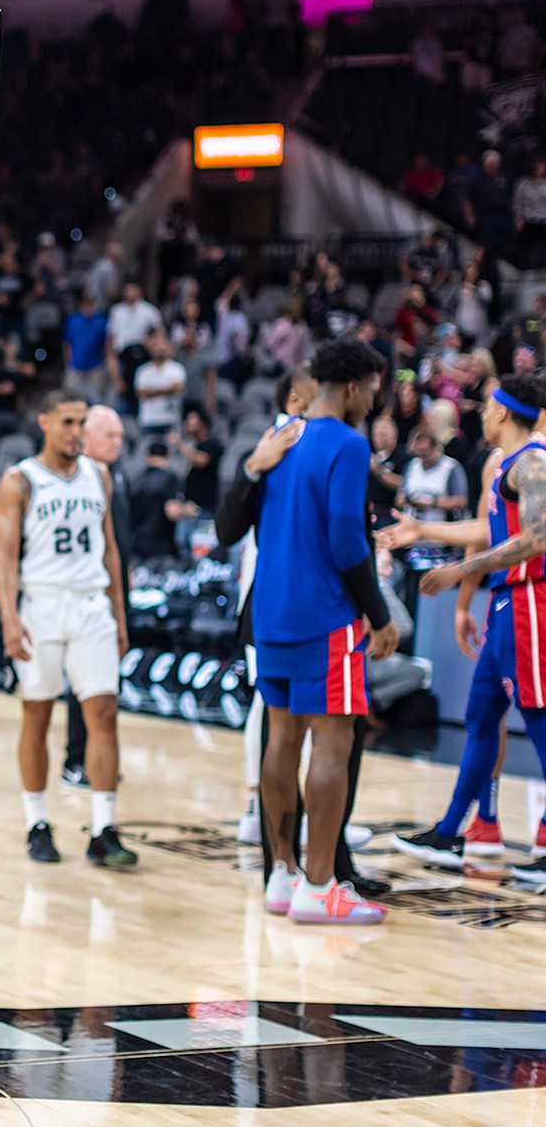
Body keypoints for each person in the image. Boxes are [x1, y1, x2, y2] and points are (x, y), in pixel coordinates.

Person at [250, 338, 399, 924]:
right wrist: (379, 616)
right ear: (355, 388)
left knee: (281, 741)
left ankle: (282, 875)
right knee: (333, 743)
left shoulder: (281, 438)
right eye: (375, 390)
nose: (376, 402)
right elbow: (345, 538)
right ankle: (320, 887)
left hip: (272, 610)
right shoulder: (347, 443)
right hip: (324, 614)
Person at [381, 372, 546, 884]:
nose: (481, 413)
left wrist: (461, 570)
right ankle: (453, 829)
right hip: (505, 604)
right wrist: (423, 529)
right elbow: (491, 528)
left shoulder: (534, 461)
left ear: (502, 411)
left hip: (530, 603)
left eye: (488, 406)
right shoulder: (508, 464)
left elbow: (538, 535)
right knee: (480, 715)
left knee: (540, 722)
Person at [0, 390, 135, 867]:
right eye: (67, 422)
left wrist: (119, 615)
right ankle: (37, 823)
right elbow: (4, 559)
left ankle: (103, 829)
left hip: (92, 606)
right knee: (37, 717)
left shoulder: (100, 475)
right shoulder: (19, 480)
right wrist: (9, 619)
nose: (76, 432)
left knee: (104, 715)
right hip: (42, 607)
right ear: (45, 423)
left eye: (81, 423)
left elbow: (110, 550)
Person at [61, 405, 132, 787]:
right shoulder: (74, 478)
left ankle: (98, 758)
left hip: (113, 592)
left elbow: (118, 542)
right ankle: (75, 760)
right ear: (87, 437)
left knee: (105, 685)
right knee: (82, 685)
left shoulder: (115, 475)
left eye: (120, 436)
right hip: (85, 594)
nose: (117, 442)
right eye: (110, 435)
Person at [399, 428, 470, 523]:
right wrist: (406, 500)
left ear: (435, 449)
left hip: (441, 525)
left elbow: (462, 501)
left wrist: (433, 502)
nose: (422, 457)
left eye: (425, 452)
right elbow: (400, 497)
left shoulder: (451, 467)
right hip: (413, 523)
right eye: (419, 452)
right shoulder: (411, 465)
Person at [133, 329, 186, 437]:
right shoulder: (143, 371)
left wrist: (152, 392)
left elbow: (177, 388)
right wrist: (166, 390)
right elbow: (141, 393)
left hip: (170, 419)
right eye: (156, 346)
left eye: (162, 346)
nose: (159, 349)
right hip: (149, 419)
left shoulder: (177, 369)